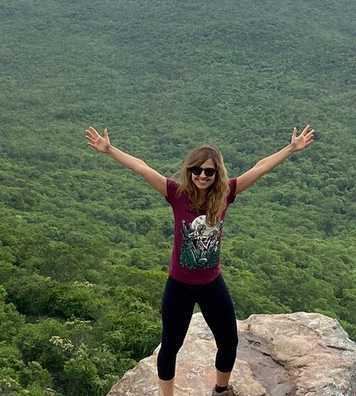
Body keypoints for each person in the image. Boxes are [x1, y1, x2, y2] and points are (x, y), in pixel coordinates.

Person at [85, 124, 315, 396]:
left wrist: (290, 148)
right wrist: (110, 150)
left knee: (229, 341)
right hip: (179, 285)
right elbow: (142, 167)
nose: (202, 176)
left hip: (211, 284)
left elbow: (260, 167)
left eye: (209, 171)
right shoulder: (176, 193)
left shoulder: (225, 194)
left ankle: (221, 390)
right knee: (170, 345)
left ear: (216, 173)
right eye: (197, 170)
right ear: (189, 170)